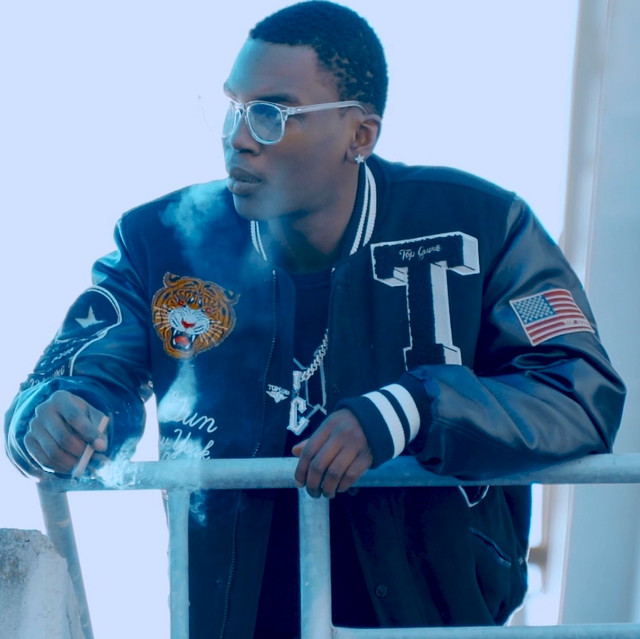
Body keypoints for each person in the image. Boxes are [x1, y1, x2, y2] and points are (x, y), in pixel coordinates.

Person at [4, 1, 626, 637]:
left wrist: (409, 409)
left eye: (272, 115)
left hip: (436, 619)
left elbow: (580, 394)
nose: (238, 137)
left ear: (360, 136)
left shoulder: (482, 224)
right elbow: (70, 383)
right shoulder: (162, 242)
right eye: (233, 107)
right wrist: (57, 419)